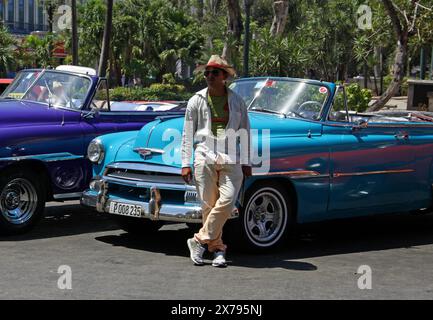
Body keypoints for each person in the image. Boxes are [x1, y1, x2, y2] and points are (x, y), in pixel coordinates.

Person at [181, 55, 252, 267]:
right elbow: (187, 134)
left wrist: (247, 161)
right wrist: (185, 163)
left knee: (228, 201)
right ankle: (218, 249)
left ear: (224, 77)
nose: (209, 76)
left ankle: (198, 240)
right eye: (207, 73)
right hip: (204, 154)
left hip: (231, 156)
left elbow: (245, 132)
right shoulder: (196, 100)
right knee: (208, 205)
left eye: (214, 73)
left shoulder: (237, 101)